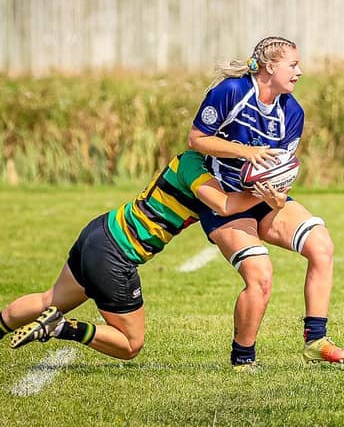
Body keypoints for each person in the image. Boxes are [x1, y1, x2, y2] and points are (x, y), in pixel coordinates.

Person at [0, 150, 286, 359]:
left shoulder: (192, 162)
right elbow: (224, 205)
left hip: (100, 231)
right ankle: (61, 327)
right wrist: (266, 197)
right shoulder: (193, 165)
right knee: (130, 344)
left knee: (48, 299)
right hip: (117, 254)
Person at [188, 36, 344, 369]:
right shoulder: (232, 92)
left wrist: (278, 196)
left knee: (321, 245)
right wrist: (245, 152)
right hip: (224, 197)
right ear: (270, 66)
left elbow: (282, 168)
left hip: (263, 198)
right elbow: (196, 140)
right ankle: (243, 358)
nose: (300, 72)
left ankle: (316, 341)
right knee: (260, 275)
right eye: (293, 65)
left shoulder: (292, 112)